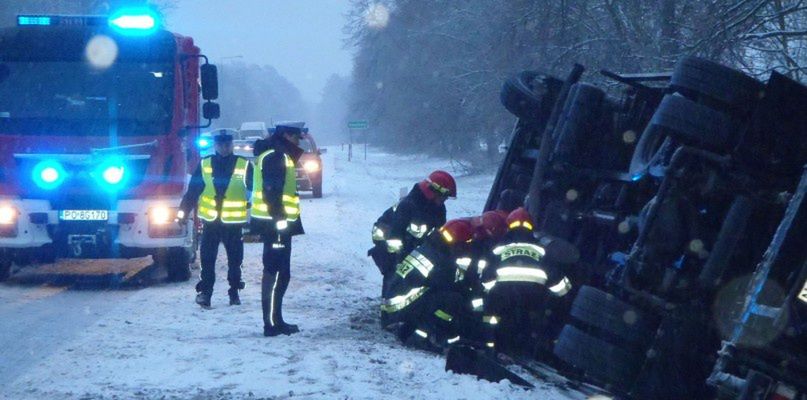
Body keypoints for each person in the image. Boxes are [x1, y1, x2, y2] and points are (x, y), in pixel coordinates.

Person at [475, 207, 575, 354]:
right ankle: (536, 347)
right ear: (531, 228)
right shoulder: (542, 251)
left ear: (508, 227)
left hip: (503, 303)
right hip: (533, 303)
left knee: (491, 313)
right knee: (541, 317)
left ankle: (490, 344)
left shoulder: (497, 250)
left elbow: (485, 281)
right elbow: (559, 286)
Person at [180, 130, 253, 308]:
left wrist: (257, 218)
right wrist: (183, 212)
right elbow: (193, 191)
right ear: (215, 145)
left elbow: (255, 191)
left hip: (233, 223)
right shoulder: (205, 164)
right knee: (207, 259)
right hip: (211, 223)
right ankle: (206, 293)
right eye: (220, 144)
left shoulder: (243, 165)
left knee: (235, 261)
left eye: (227, 144)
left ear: (232, 145)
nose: (224, 148)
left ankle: (234, 292)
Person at [381, 219, 476, 352]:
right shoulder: (441, 259)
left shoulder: (429, 247)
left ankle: (407, 329)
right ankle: (421, 337)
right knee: (452, 300)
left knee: (437, 297)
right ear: (457, 242)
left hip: (393, 305)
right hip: (400, 307)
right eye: (465, 244)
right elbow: (446, 286)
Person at [252, 125, 305, 337]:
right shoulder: (276, 156)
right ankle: (271, 323)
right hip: (275, 225)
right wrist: (279, 218)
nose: (298, 143)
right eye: (296, 138)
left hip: (276, 224)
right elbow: (271, 191)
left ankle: (276, 320)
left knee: (280, 273)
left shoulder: (277, 154)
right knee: (276, 272)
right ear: (286, 136)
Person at [369, 171, 456, 296]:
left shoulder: (439, 208)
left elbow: (438, 233)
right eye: (444, 196)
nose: (445, 199)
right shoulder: (407, 206)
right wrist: (399, 264)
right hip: (391, 253)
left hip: (412, 250)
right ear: (434, 191)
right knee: (393, 287)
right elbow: (395, 239)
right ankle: (388, 312)